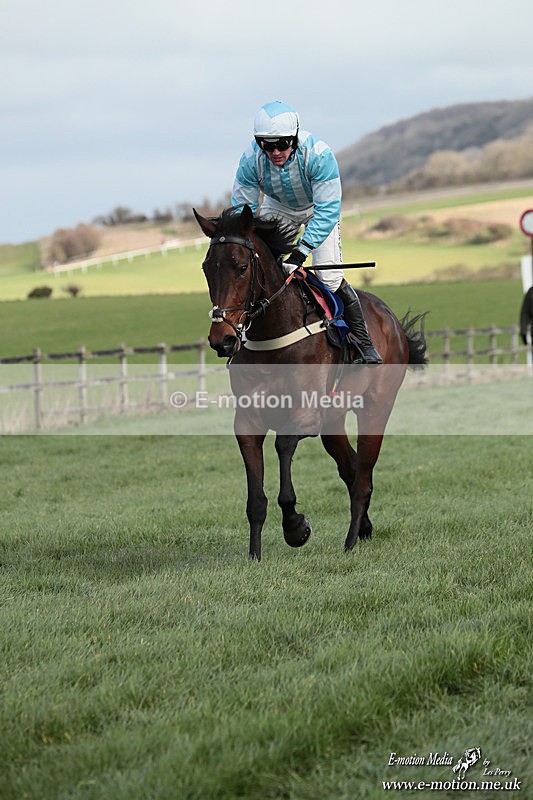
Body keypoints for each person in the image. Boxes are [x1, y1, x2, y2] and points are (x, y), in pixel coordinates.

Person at [231, 100, 383, 364]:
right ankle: (245, 342)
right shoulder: (250, 160)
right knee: (262, 271)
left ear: (296, 138)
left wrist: (301, 252)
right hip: (278, 208)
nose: (275, 151)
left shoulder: (320, 155)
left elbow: (327, 211)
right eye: (267, 145)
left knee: (330, 278)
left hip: (318, 210)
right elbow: (241, 209)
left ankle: (363, 343)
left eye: (283, 144)